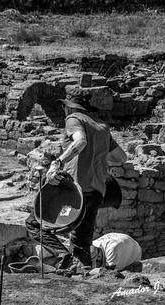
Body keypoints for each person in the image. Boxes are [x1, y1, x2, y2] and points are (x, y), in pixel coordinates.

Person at [25, 87, 128, 272]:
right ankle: (85, 278)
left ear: (70, 107)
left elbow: (80, 141)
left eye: (65, 107)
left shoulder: (74, 119)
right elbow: (121, 157)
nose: (65, 110)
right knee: (81, 246)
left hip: (73, 194)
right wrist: (98, 156)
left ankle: (62, 255)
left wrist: (58, 162)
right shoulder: (102, 126)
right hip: (96, 193)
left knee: (34, 223)